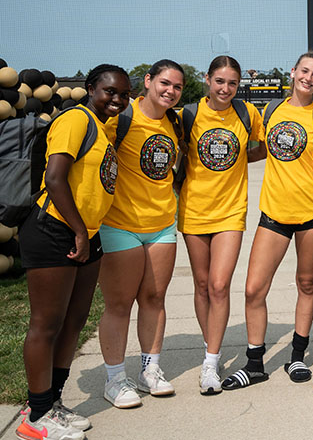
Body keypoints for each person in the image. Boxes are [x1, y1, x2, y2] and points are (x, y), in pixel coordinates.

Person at [16, 65, 130, 440]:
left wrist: (86, 233)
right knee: (45, 324)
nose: (116, 99)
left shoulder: (101, 126)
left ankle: (53, 402)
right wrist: (79, 231)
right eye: (109, 92)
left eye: (122, 94)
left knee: (73, 321)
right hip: (55, 229)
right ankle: (35, 415)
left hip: (86, 234)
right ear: (90, 89)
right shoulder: (75, 119)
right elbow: (54, 178)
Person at [222, 51, 313, 389]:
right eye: (304, 71)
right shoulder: (272, 110)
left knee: (306, 283)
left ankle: (297, 357)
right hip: (274, 212)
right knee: (253, 289)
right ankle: (254, 364)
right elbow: (261, 148)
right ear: (292, 73)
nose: (308, 78)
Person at [98, 60, 184, 408]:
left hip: (162, 224)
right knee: (119, 305)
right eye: (164, 83)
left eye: (177, 87)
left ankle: (151, 369)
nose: (170, 91)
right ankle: (115, 379)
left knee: (154, 299)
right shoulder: (120, 117)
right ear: (147, 81)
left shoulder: (175, 122)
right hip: (120, 224)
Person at [177, 56, 264, 395]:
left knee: (218, 285)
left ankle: (210, 363)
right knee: (201, 285)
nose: (226, 89)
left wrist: (244, 157)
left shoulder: (246, 113)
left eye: (232, 83)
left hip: (230, 212)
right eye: (220, 81)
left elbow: (262, 146)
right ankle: (209, 341)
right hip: (194, 210)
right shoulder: (189, 114)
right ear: (207, 80)